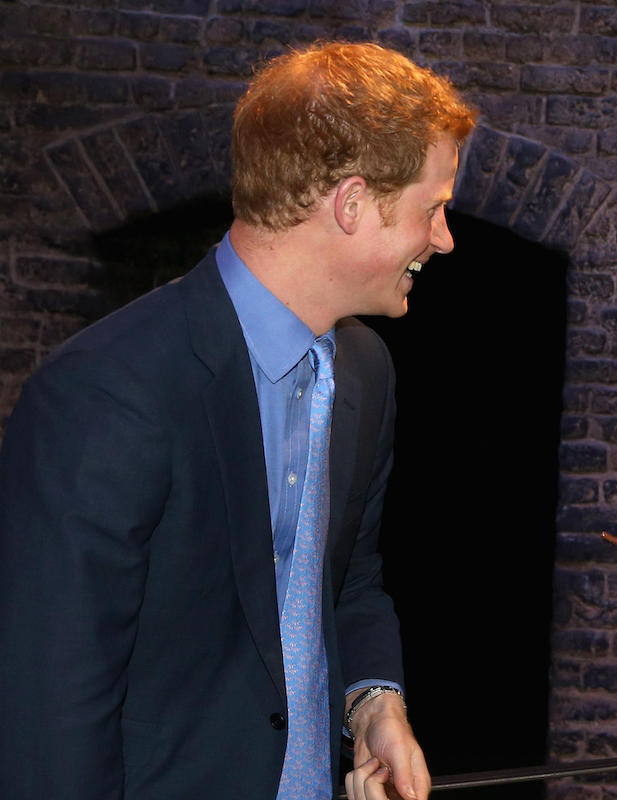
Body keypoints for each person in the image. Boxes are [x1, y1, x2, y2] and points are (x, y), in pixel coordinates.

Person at [0, 42, 475, 800]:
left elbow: (348, 581)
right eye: (432, 207)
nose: (444, 238)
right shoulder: (106, 391)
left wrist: (375, 701)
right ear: (351, 204)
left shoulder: (364, 370)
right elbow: (48, 711)